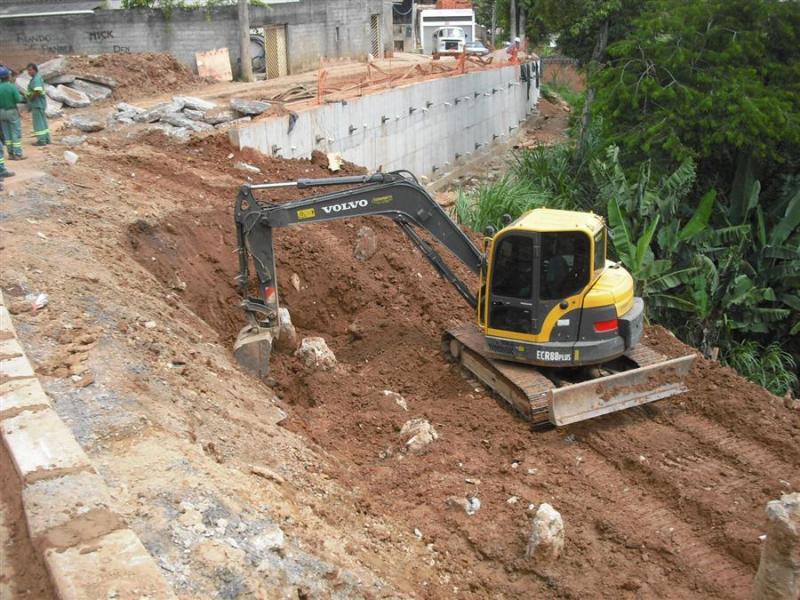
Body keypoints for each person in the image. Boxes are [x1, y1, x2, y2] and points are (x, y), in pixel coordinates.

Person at [0, 66, 24, 160]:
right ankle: (17, 154)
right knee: (15, 132)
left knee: (6, 133)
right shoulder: (11, 87)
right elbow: (18, 99)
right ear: (7, 76)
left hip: (1, 112)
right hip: (12, 111)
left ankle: (10, 153)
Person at [26, 63, 50, 146]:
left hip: (37, 104)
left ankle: (41, 140)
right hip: (40, 104)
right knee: (43, 122)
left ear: (35, 70)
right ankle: (46, 138)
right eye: (27, 70)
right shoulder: (36, 78)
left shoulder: (36, 79)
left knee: (38, 123)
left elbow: (37, 91)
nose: (28, 72)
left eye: (30, 70)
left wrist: (31, 98)